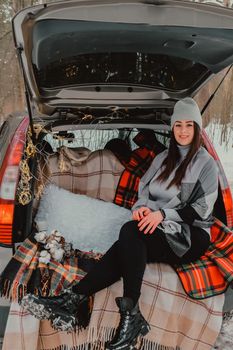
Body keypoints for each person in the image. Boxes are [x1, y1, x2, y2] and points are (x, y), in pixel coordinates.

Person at [22, 98, 219, 349]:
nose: (183, 131)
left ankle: (84, 303)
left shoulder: (205, 163)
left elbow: (202, 208)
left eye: (189, 125)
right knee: (129, 243)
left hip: (190, 234)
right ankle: (85, 304)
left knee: (129, 234)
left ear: (197, 128)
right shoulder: (162, 159)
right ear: (172, 128)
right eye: (178, 125)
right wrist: (141, 209)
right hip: (157, 226)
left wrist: (162, 215)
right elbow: (144, 191)